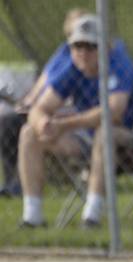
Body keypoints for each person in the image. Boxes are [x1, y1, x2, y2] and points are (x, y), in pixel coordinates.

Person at [18, 14, 133, 228]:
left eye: (90, 46)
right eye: (77, 46)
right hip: (89, 139)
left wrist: (63, 125)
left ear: (105, 47)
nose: (83, 52)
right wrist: (43, 123)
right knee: (29, 133)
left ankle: (91, 217)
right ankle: (32, 216)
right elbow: (40, 107)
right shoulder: (74, 67)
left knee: (106, 132)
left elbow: (114, 113)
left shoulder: (118, 63)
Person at [0, 8, 87, 197]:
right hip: (42, 112)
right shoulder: (63, 53)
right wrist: (28, 102)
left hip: (64, 118)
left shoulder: (86, 59)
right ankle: (13, 183)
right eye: (74, 35)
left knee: (16, 127)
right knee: (7, 123)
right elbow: (43, 81)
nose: (80, 44)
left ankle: (21, 186)